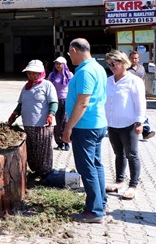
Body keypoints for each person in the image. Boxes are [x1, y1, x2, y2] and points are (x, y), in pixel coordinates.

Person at [62, 38, 108, 223]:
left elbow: (82, 103)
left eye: (69, 53)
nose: (69, 57)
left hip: (85, 126)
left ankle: (94, 211)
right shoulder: (97, 68)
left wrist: (68, 127)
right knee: (96, 165)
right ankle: (100, 203)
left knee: (87, 167)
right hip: (97, 123)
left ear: (74, 50)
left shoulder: (85, 72)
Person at [104, 50, 146, 200]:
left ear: (122, 63)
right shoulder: (108, 81)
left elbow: (140, 103)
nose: (111, 66)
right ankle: (120, 181)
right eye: (109, 64)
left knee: (132, 154)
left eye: (114, 63)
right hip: (112, 124)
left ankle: (133, 185)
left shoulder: (134, 81)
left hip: (129, 124)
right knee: (118, 154)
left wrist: (139, 122)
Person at [8, 60, 58, 180]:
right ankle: (35, 170)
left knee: (43, 150)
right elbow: (21, 104)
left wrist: (51, 114)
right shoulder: (26, 87)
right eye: (29, 73)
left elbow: (54, 102)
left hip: (43, 124)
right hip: (28, 124)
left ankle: (45, 173)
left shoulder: (47, 85)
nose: (31, 75)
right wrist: (14, 114)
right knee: (31, 149)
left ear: (41, 73)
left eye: (34, 73)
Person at [127, 51, 155, 140]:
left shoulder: (141, 68)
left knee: (142, 113)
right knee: (133, 113)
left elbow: (143, 80)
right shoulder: (126, 69)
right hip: (129, 95)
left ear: (138, 59)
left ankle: (146, 132)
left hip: (140, 95)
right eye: (132, 58)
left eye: (136, 58)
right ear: (129, 58)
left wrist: (143, 92)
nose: (134, 60)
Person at [48, 56, 73, 151]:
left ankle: (67, 142)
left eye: (60, 64)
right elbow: (49, 88)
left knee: (65, 121)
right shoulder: (52, 75)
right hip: (55, 101)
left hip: (66, 100)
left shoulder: (69, 75)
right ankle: (59, 143)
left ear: (64, 65)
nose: (58, 65)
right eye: (56, 63)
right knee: (57, 123)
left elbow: (73, 88)